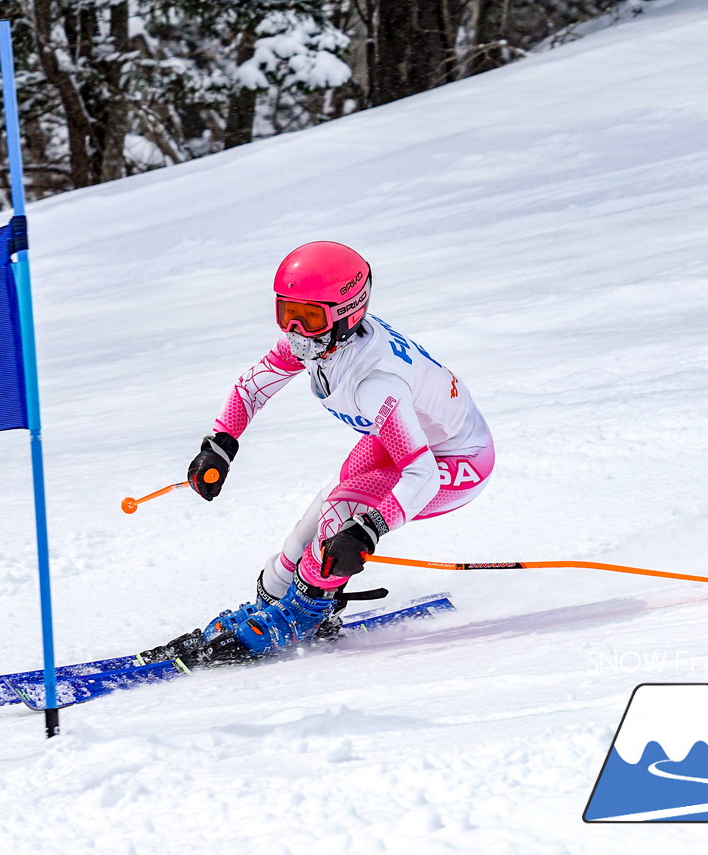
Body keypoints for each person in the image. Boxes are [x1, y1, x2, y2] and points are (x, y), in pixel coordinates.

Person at [186, 241, 495, 658]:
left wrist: (369, 530)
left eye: (308, 318)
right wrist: (220, 445)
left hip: (456, 461)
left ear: (347, 314)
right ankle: (276, 603)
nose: (294, 332)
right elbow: (251, 388)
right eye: (286, 313)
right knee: (303, 537)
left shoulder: (375, 382)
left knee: (343, 519)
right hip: (395, 444)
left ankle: (302, 615)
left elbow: (423, 475)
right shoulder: (325, 341)